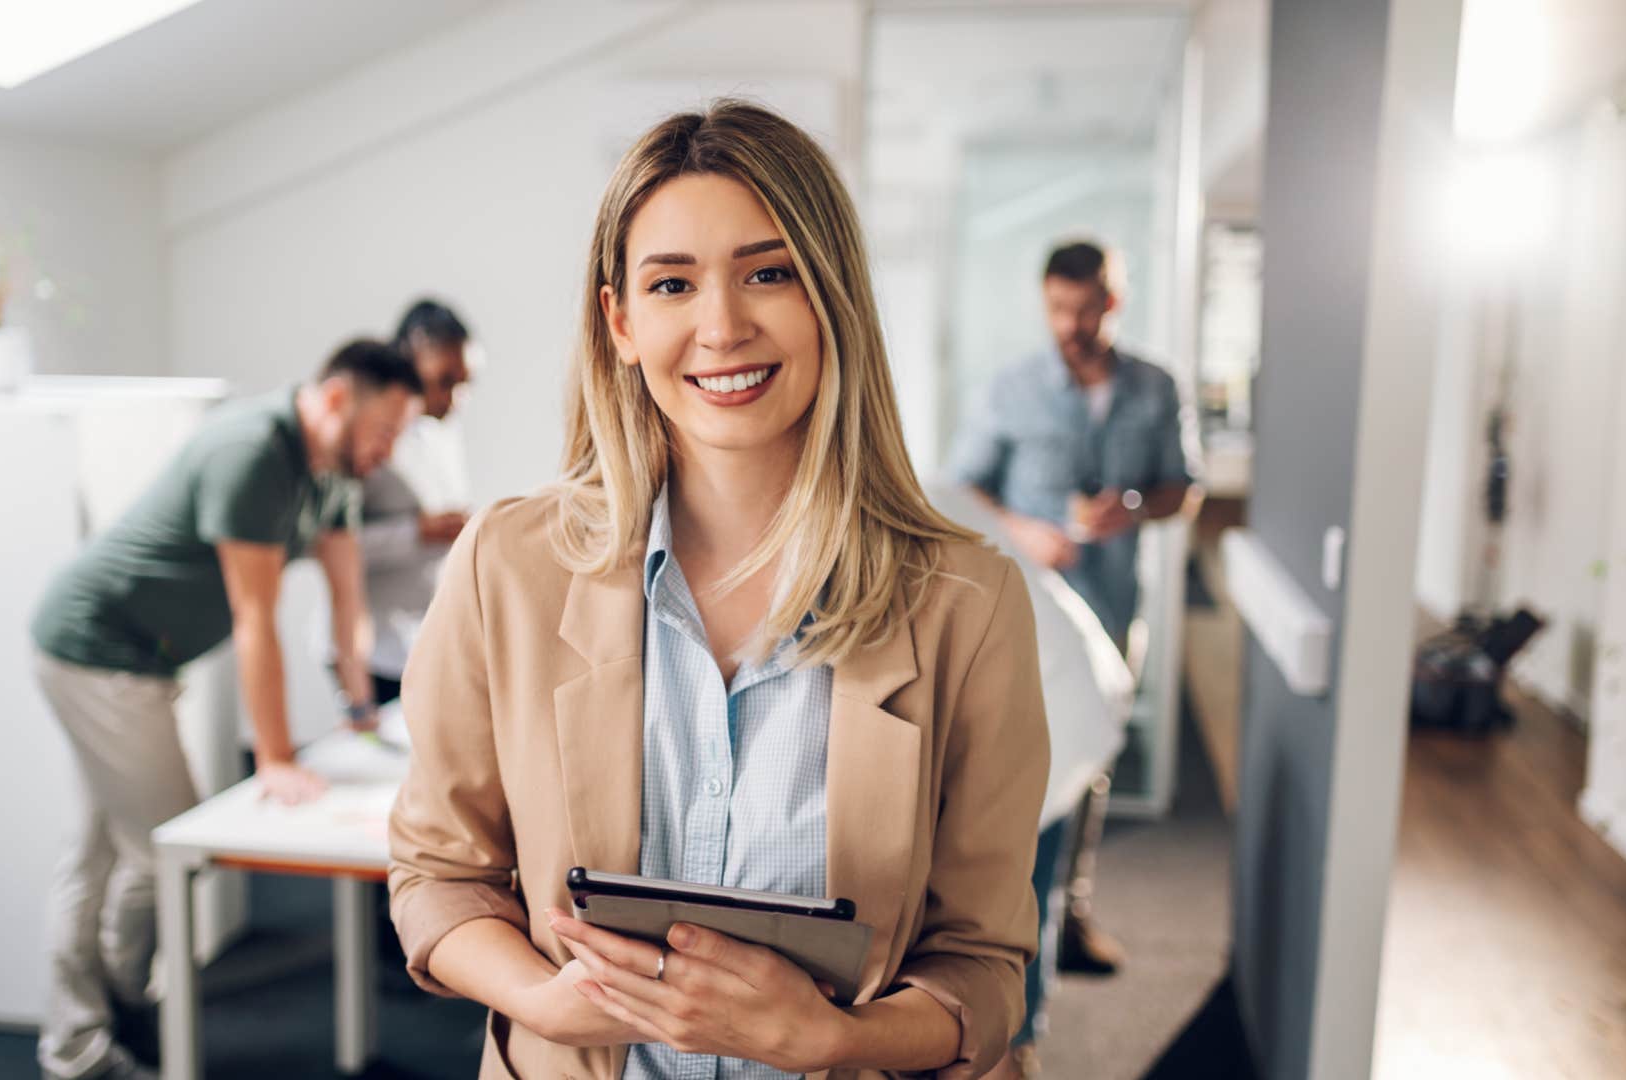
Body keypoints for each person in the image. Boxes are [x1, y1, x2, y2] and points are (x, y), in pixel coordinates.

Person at [387, 101, 1049, 1079]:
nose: (722, 326)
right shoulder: (507, 566)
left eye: (769, 273)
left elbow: (985, 967)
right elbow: (440, 875)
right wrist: (545, 1002)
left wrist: (836, 1038)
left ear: (833, 296)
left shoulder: (968, 602)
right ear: (620, 321)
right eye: (672, 283)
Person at [28, 340, 421, 1080]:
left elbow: (347, 599)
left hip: (140, 659)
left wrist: (363, 709)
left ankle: (79, 1042)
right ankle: (112, 1019)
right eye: (385, 430)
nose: (388, 449)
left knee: (95, 850)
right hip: (96, 651)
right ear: (335, 400)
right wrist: (272, 757)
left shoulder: (334, 472)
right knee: (162, 847)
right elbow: (255, 618)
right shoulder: (253, 452)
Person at [951, 239, 1200, 980]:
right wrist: (1025, 530)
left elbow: (1183, 489)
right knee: (1017, 767)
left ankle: (1071, 917)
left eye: (1085, 309)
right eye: (1058, 308)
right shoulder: (1010, 388)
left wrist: (1131, 505)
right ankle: (1003, 928)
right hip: (1029, 619)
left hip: (1115, 610)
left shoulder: (1157, 389)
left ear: (1112, 303)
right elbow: (961, 489)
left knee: (1091, 766)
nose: (1070, 323)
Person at [930, 485, 1133, 1080]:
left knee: (1006, 921)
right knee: (1023, 898)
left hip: (1053, 708)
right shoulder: (929, 482)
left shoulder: (890, 517)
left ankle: (1015, 1049)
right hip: (1071, 680)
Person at [354, 299, 474, 705]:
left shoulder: (444, 429)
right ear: (412, 354)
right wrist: (416, 533)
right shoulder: (370, 433)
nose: (455, 399)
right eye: (445, 380)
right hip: (372, 646)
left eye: (464, 383)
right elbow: (328, 542)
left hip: (420, 641)